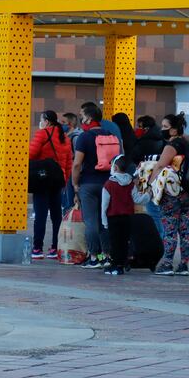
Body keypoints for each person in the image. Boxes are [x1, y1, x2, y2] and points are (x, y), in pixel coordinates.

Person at [71, 102, 119, 268]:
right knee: (104, 221)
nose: (81, 120)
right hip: (108, 183)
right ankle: (107, 255)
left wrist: (74, 184)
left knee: (91, 221)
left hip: (89, 183)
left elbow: (77, 164)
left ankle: (93, 257)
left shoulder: (84, 137)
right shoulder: (110, 135)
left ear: (89, 118)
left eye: (82, 116)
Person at [152, 114, 189, 276]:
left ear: (174, 130)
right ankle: (183, 265)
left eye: (165, 127)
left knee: (169, 228)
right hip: (188, 192)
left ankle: (167, 263)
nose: (162, 130)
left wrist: (150, 183)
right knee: (185, 229)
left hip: (172, 192)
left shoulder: (172, 145)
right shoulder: (188, 144)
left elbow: (160, 165)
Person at [29, 110, 73, 259]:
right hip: (58, 180)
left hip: (42, 179)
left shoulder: (42, 134)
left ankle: (37, 248)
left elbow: (31, 154)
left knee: (40, 215)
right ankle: (55, 247)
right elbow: (69, 162)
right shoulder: (65, 137)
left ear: (46, 121)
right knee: (56, 216)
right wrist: (65, 181)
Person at [102, 155, 137, 276]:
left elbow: (104, 205)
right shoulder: (131, 183)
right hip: (127, 217)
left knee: (114, 242)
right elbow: (137, 198)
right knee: (124, 241)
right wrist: (148, 194)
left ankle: (115, 265)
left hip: (113, 217)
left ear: (115, 167)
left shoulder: (109, 184)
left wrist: (104, 220)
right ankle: (122, 263)